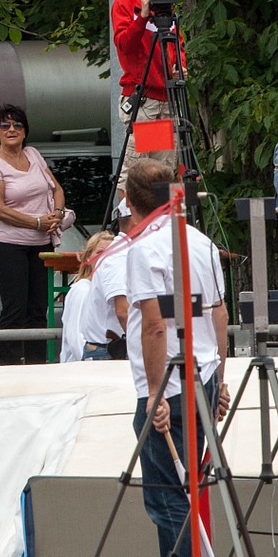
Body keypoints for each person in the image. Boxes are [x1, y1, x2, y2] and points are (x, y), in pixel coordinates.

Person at [125, 160, 229, 557]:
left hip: (169, 382)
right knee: (184, 489)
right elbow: (218, 313)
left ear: (130, 201)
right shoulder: (200, 241)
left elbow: (154, 325)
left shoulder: (144, 248)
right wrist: (219, 375)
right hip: (201, 373)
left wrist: (154, 393)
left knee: (169, 500)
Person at [0, 103, 67, 365]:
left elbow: (56, 189)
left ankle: (38, 366)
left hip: (41, 245)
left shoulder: (34, 154)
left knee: (39, 310)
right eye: (5, 125)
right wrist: (36, 222)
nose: (12, 129)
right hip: (9, 246)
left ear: (26, 130)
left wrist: (58, 214)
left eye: (17, 124)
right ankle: (9, 368)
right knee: (15, 309)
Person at [111, 0, 185, 193]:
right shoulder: (126, 1)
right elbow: (124, 45)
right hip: (144, 98)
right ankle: (125, 229)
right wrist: (142, 16)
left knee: (161, 173)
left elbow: (178, 44)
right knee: (137, 173)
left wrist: (180, 67)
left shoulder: (168, 3)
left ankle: (159, 229)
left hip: (167, 97)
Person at [81, 200, 133, 361]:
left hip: (111, 349)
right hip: (109, 352)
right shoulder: (120, 256)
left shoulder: (125, 252)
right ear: (136, 218)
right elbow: (123, 312)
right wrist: (146, 349)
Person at [59, 230, 114, 364]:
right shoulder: (82, 289)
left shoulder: (108, 289)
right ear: (88, 257)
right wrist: (88, 359)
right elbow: (75, 336)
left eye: (111, 253)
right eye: (100, 253)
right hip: (84, 366)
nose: (105, 258)